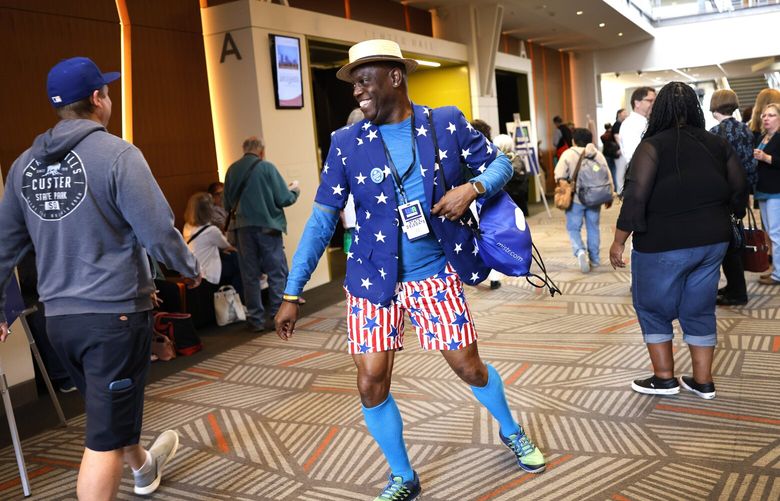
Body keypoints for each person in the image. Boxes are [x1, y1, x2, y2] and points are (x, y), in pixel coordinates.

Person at [275, 39, 545, 500]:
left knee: (469, 367)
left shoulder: (445, 122)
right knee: (370, 380)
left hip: (434, 274)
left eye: (364, 79)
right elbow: (321, 220)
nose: (357, 91)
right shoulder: (346, 144)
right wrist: (292, 291)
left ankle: (511, 428)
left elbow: (503, 162)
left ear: (395, 76)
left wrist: (471, 189)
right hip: (370, 279)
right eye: (352, 83)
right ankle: (403, 475)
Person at [0, 56, 201, 500]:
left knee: (106, 408)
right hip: (113, 318)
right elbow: (157, 231)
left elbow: (3, 247)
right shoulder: (118, 155)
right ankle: (130, 464)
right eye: (106, 91)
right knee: (103, 440)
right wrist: (190, 268)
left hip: (59, 322)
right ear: (98, 99)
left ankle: (144, 468)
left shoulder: (22, 167)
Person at [609, 82, 747, 400]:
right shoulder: (717, 144)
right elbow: (740, 190)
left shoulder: (652, 146)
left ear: (659, 111)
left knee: (653, 307)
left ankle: (664, 379)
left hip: (662, 242)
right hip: (713, 242)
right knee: (699, 309)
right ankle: (702, 382)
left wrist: (619, 242)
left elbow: (635, 198)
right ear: (695, 110)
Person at [223, 136, 300, 332]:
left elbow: (226, 205)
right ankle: (276, 314)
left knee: (250, 275)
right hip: (268, 227)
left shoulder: (232, 170)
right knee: (276, 273)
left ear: (244, 149)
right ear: (262, 151)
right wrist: (295, 191)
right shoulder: (267, 168)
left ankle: (256, 320)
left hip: (243, 229)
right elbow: (284, 198)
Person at [709, 89, 757, 305]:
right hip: (741, 193)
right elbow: (750, 165)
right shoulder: (745, 130)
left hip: (722, 196)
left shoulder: (714, 132)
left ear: (714, 106)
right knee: (735, 240)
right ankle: (735, 286)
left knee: (727, 243)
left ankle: (738, 292)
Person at [555, 128, 614, 273]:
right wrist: (610, 195)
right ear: (591, 139)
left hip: (575, 199)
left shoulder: (568, 154)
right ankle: (594, 259)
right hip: (595, 198)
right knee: (593, 228)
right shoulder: (597, 154)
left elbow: (559, 174)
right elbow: (608, 176)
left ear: (573, 140)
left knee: (573, 228)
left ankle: (580, 251)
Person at [183, 192, 239, 325]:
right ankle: (237, 303)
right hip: (209, 273)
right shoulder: (211, 230)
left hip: (195, 270)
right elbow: (226, 245)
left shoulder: (187, 226)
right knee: (238, 262)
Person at [470, 119, 503, 290]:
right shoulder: (491, 153)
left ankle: (478, 271)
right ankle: (495, 276)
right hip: (491, 203)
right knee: (492, 239)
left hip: (470, 204)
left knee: (475, 239)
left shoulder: (464, 154)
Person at [753, 102, 780, 286]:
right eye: (764, 115)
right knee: (770, 233)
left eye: (771, 115)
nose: (766, 118)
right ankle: (776, 270)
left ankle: (778, 275)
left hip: (776, 191)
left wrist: (766, 158)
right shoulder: (764, 137)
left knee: (776, 234)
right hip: (763, 190)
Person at [617, 87, 656, 193]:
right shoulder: (631, 124)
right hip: (641, 178)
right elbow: (634, 156)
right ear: (637, 103)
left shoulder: (644, 122)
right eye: (650, 100)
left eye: (655, 101)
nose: (653, 104)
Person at [493, 133, 530, 216]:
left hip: (513, 198)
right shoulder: (507, 158)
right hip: (509, 197)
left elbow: (514, 175)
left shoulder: (513, 159)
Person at [600, 122, 620, 189]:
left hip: (606, 154)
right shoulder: (612, 135)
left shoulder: (603, 136)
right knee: (614, 172)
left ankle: (610, 188)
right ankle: (615, 188)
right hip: (613, 155)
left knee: (608, 173)